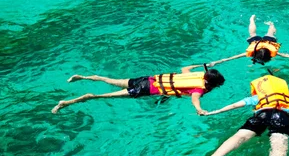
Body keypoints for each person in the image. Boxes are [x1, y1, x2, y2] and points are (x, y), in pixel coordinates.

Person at [51, 65, 225, 114]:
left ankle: (80, 77)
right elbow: (195, 99)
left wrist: (210, 64)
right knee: (100, 96)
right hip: (145, 90)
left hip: (146, 79)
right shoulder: (199, 89)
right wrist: (200, 109)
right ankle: (66, 103)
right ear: (213, 83)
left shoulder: (197, 76)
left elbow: (185, 68)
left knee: (109, 80)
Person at [200, 15, 289, 68]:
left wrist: (218, 61)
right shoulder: (271, 52)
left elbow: (232, 57)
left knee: (259, 34)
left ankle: (252, 20)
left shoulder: (251, 52)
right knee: (267, 33)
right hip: (265, 43)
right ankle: (271, 24)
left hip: (263, 43)